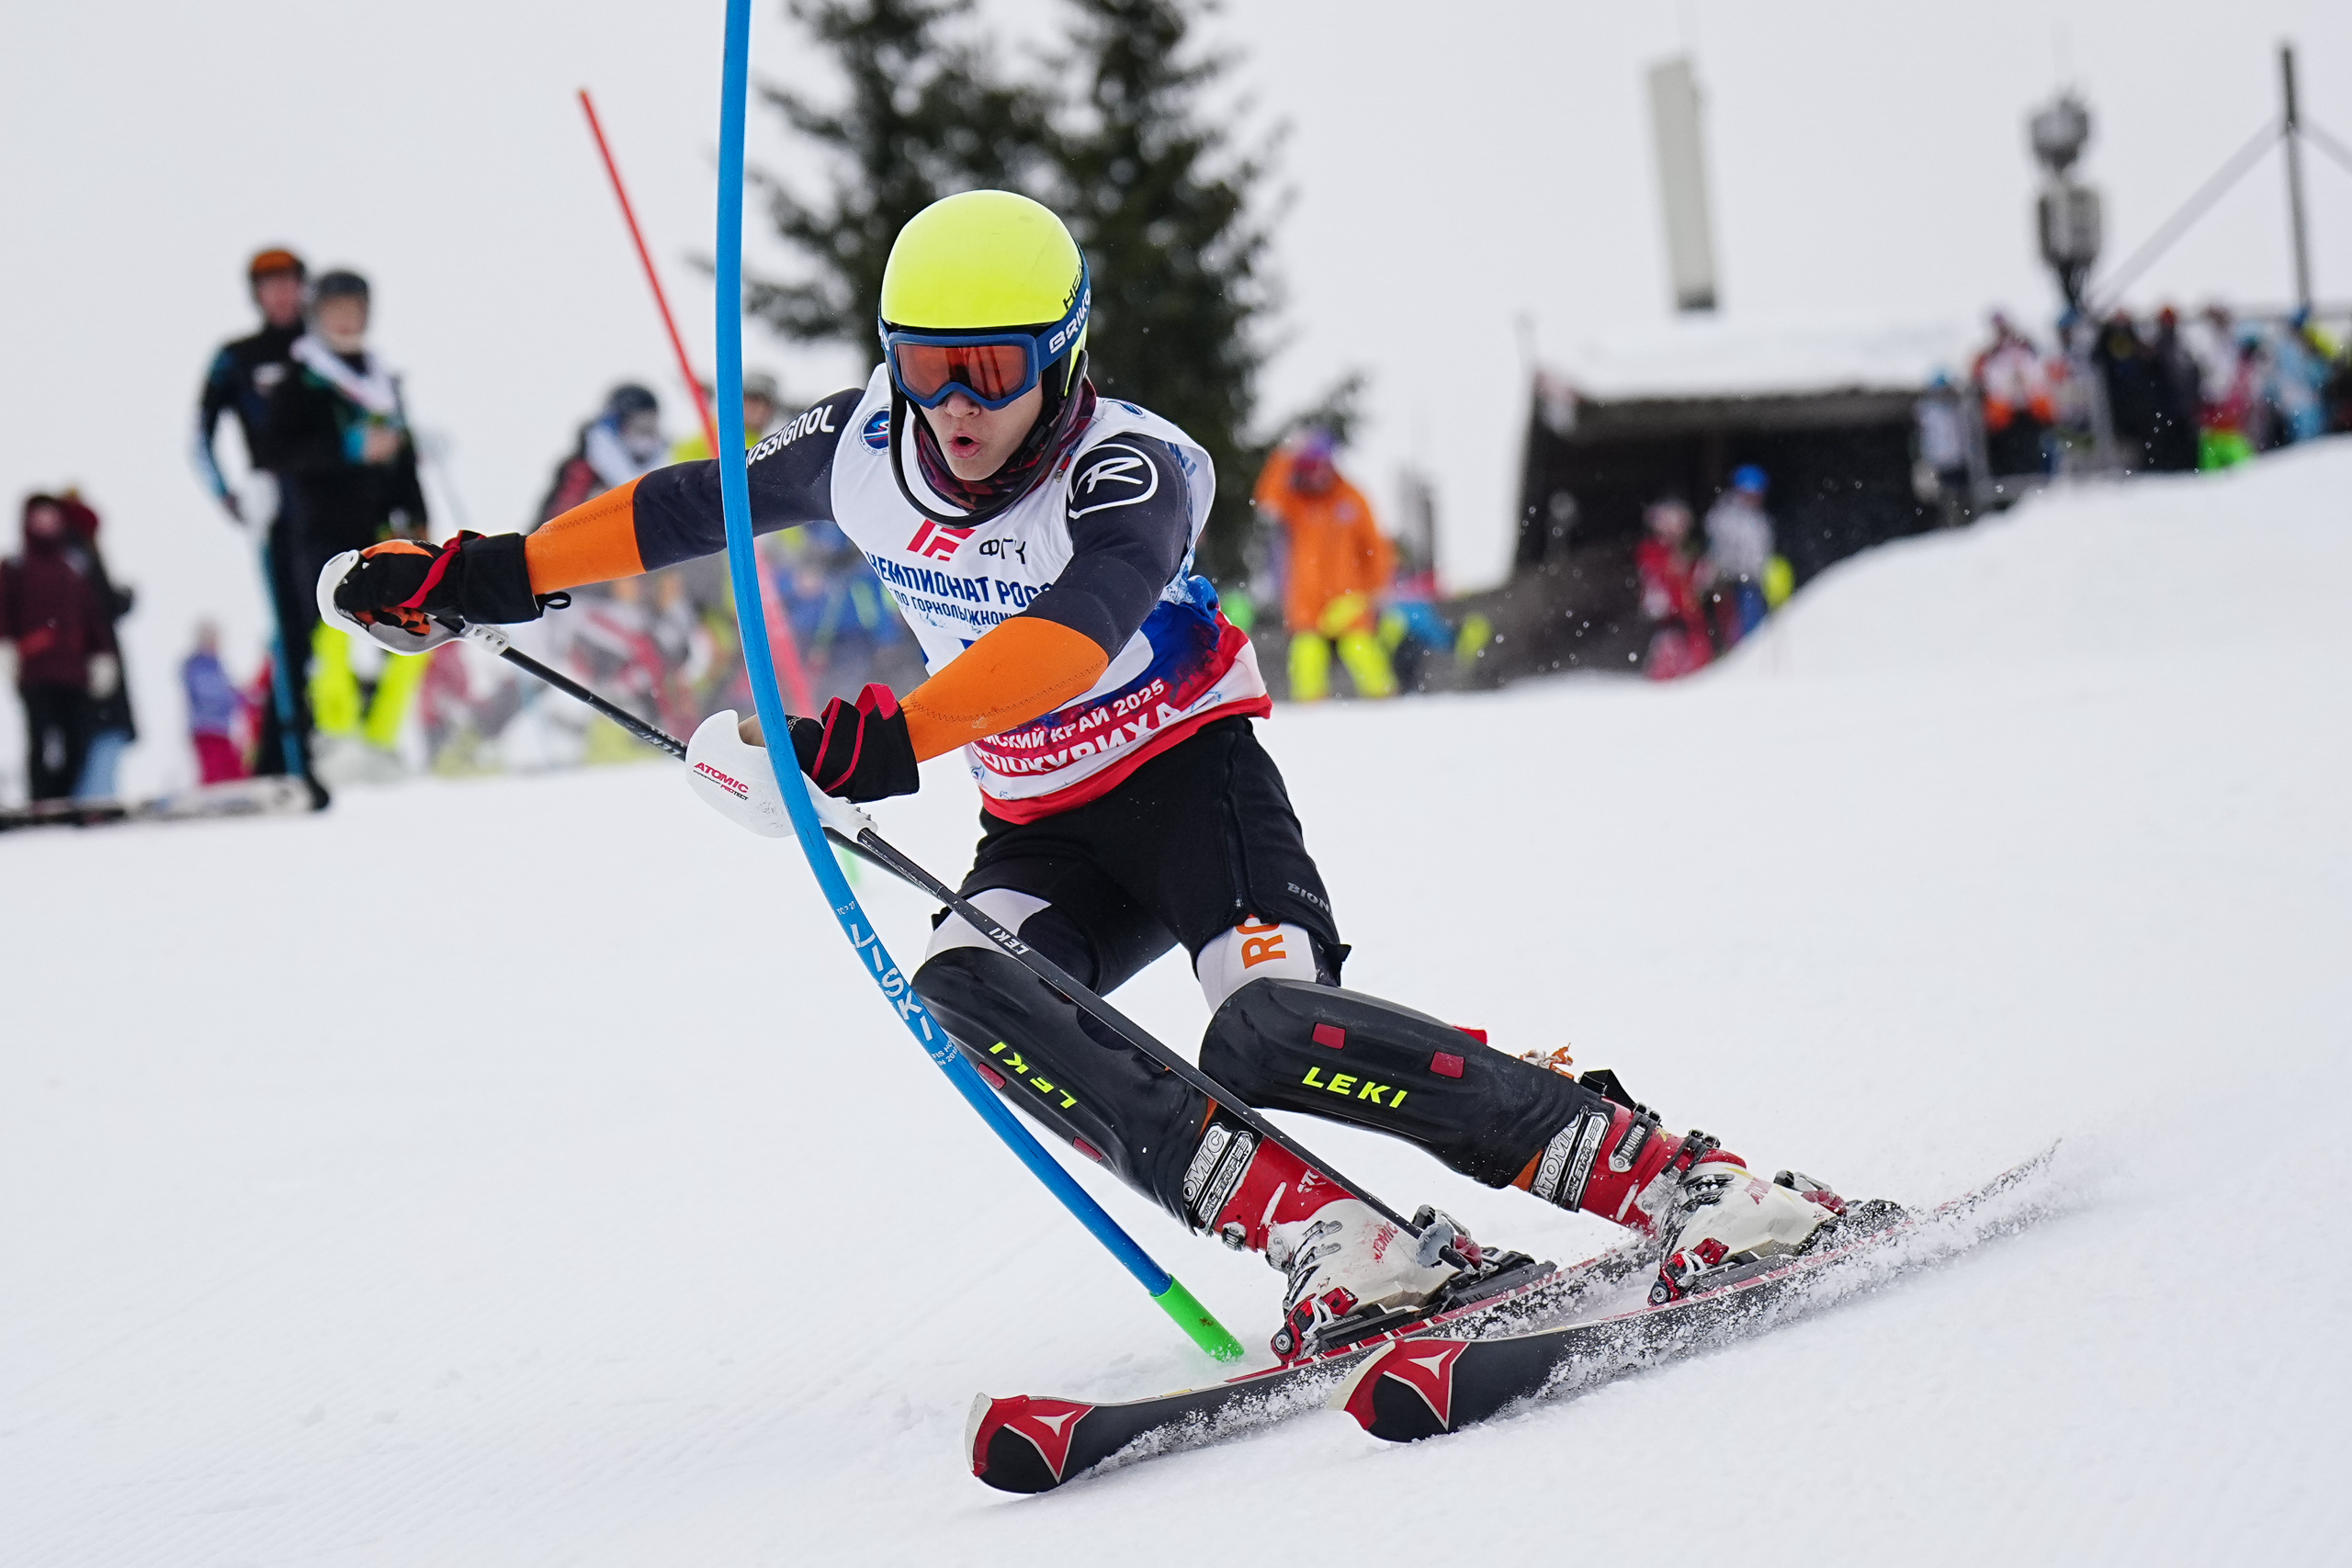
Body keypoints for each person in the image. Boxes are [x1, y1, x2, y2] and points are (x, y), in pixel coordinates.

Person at [323, 190, 1854, 1356]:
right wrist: (493, 568)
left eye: (988, 366)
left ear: (1060, 352)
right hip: (1040, 828)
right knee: (972, 992)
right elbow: (687, 502)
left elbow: (1069, 637)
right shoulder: (866, 438)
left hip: (1192, 788)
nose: (954, 403)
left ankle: (1678, 1177)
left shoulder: (1138, 463)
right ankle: (1330, 1234)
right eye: (923, 366)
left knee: (1263, 1028)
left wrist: (885, 735)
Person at [264, 269, 429, 778]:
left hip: (382, 530)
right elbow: (279, 451)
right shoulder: (298, 380)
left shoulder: (383, 381)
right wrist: (349, 449)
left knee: (420, 627)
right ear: (317, 314)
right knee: (330, 631)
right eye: (336, 308)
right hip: (319, 531)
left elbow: (405, 459)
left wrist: (418, 517)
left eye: (355, 307)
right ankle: (336, 738)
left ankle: (380, 739)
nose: (347, 318)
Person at [196, 247, 323, 801]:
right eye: (270, 284)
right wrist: (232, 497)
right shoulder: (238, 357)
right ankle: (284, 754)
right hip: (279, 514)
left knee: (335, 626)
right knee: (293, 633)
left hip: (335, 509)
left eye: (290, 282)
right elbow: (199, 438)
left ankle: (314, 745)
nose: (282, 293)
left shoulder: (324, 350)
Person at [1252, 430, 1398, 701]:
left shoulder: (1352, 497)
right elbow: (1267, 498)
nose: (1318, 475)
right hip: (1307, 604)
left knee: (1364, 654)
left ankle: (1386, 710)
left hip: (1349, 600)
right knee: (1306, 660)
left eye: (1322, 467)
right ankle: (1312, 724)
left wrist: (1375, 590)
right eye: (1310, 468)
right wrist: (1285, 455)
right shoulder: (1295, 502)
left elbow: (1376, 548)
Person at [1, 495, 118, 801]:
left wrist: (102, 654)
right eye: (39, 516)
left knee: (77, 740)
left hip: (74, 671)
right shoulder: (15, 567)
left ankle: (63, 798)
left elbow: (93, 617)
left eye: (51, 516)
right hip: (34, 669)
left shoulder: (73, 568)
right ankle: (41, 799)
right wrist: (7, 648)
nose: (46, 522)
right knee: (40, 739)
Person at [51, 491, 137, 798]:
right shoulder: (78, 552)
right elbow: (95, 606)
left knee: (98, 732)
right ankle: (94, 800)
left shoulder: (78, 552)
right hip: (90, 659)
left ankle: (96, 797)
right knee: (98, 731)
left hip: (93, 657)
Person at [1634, 498, 1712, 681]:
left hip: (1689, 612)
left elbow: (1698, 578)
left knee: (1698, 651)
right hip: (1668, 614)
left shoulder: (1688, 549)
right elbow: (1652, 574)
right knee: (1668, 652)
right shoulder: (1651, 549)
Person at [1973, 311, 2054, 478]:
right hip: (2005, 416)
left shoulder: (2026, 348)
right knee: (2009, 452)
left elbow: (2041, 370)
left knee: (2034, 449)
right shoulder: (1990, 355)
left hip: (2031, 412)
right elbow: (1980, 376)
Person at [1702, 466, 1775, 649]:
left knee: (1755, 625)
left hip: (1755, 582)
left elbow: (1763, 551)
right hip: (1733, 582)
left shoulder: (1759, 518)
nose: (1756, 498)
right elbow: (1718, 551)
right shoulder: (1726, 516)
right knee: (1735, 627)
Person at [182, 621, 250, 784]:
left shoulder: (217, 663)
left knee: (234, 769)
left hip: (221, 728)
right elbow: (209, 692)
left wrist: (246, 699)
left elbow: (227, 689)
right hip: (205, 728)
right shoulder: (197, 664)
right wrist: (232, 698)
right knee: (214, 771)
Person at [669, 370, 783, 463]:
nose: (759, 409)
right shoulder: (710, 437)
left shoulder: (769, 447)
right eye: (753, 400)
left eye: (765, 404)